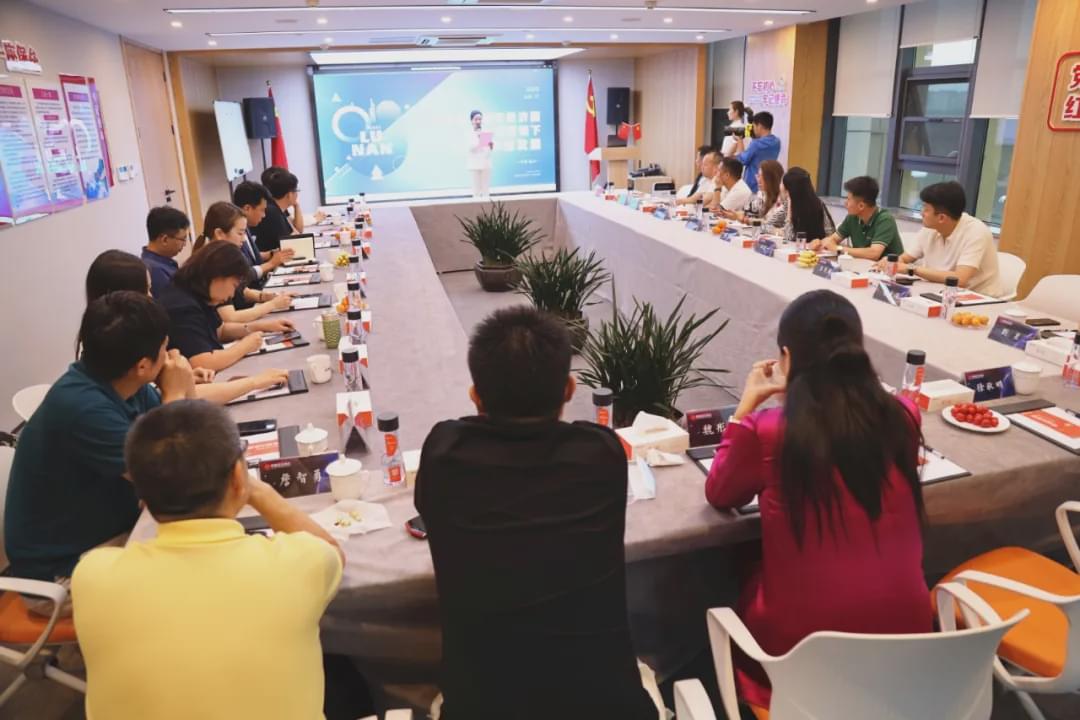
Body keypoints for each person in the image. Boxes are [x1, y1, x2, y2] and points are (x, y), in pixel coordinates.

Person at [415, 306, 662, 720]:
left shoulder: (445, 453)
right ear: (569, 389)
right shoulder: (601, 453)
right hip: (607, 707)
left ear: (475, 396)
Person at [705, 289, 933, 712]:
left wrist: (746, 405)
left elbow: (720, 492)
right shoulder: (903, 414)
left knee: (735, 570)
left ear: (787, 357)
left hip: (798, 663)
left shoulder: (768, 430)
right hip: (908, 652)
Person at [72, 400, 344, 720]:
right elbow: (331, 551)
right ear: (238, 478)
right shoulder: (301, 562)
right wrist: (257, 491)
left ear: (142, 496)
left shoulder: (92, 576)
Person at [4, 292, 195, 588]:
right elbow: (173, 476)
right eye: (165, 348)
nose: (171, 356)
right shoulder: (82, 408)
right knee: (197, 573)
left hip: (113, 532)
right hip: (64, 570)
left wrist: (185, 387)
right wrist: (176, 394)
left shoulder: (124, 381)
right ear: (143, 366)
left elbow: (191, 446)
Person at [84, 249, 290, 404]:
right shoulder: (98, 394)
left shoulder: (126, 349)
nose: (152, 298)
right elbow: (167, 430)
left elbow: (161, 396)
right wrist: (253, 379)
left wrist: (183, 381)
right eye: (146, 290)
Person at [158, 241, 293, 371]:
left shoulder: (200, 292)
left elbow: (220, 331)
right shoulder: (182, 306)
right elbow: (203, 362)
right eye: (233, 285)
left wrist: (264, 327)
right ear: (217, 276)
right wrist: (245, 346)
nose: (232, 294)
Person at [874, 181, 1003, 296]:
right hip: (938, 292)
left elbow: (960, 279)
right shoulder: (930, 228)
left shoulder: (976, 232)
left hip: (977, 300)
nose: (921, 213)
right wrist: (891, 262)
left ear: (941, 218)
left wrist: (911, 269)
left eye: (926, 209)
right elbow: (906, 258)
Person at [193, 201, 293, 319]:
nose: (244, 239)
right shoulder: (211, 264)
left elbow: (240, 291)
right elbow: (230, 317)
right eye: (240, 233)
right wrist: (272, 305)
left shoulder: (223, 257)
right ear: (219, 233)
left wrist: (267, 296)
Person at [812, 176, 904, 261]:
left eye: (848, 199)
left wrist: (838, 248)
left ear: (861, 206)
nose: (845, 203)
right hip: (862, 266)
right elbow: (833, 239)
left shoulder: (885, 219)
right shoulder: (852, 217)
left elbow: (874, 253)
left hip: (889, 270)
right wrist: (820, 243)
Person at [233, 181, 295, 287]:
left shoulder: (246, 226)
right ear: (247, 208)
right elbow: (245, 274)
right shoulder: (234, 234)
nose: (264, 215)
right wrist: (272, 263)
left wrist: (272, 254)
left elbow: (251, 257)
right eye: (262, 210)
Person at [721, 159, 786, 230]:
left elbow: (768, 225)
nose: (758, 180)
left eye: (762, 177)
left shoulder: (782, 200)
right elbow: (748, 212)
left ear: (772, 179)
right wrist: (736, 215)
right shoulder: (762, 195)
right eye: (758, 176)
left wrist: (742, 218)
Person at [141, 205, 190, 297]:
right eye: (183, 239)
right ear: (165, 240)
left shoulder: (162, 263)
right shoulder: (156, 271)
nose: (185, 244)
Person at [781, 167, 835, 244]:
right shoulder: (789, 204)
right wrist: (789, 211)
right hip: (797, 248)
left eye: (783, 185)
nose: (781, 187)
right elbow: (788, 237)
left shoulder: (818, 205)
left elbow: (831, 234)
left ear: (791, 190)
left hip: (817, 249)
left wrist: (821, 242)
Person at [253, 167, 300, 253]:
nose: (297, 194)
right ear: (289, 194)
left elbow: (296, 233)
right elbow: (292, 243)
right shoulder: (272, 212)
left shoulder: (276, 207)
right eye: (296, 190)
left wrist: (297, 206)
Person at [733, 111, 781, 194]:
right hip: (768, 184)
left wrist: (739, 140)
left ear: (759, 126)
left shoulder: (756, 144)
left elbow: (742, 160)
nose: (753, 129)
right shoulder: (777, 142)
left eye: (754, 126)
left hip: (753, 186)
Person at [466, 110, 494, 199]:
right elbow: (470, 148)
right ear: (471, 121)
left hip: (485, 164)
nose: (478, 121)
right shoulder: (468, 132)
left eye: (480, 119)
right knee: (476, 191)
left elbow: (488, 149)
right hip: (475, 165)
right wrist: (480, 139)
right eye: (476, 119)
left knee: (486, 190)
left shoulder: (485, 131)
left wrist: (490, 145)